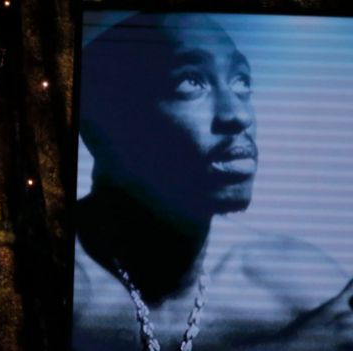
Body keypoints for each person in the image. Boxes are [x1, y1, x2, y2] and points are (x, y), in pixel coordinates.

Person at [73, 13, 353, 351]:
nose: (238, 115)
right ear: (101, 129)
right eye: (190, 81)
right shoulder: (49, 276)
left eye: (241, 82)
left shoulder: (299, 286)